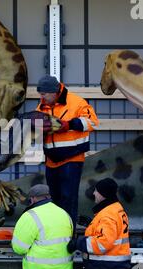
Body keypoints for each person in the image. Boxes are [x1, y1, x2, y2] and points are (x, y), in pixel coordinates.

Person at [36, 75, 99, 229]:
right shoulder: (42, 106)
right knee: (55, 199)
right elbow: (36, 126)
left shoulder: (77, 102)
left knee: (68, 198)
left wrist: (68, 124)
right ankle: (57, 230)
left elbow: (92, 122)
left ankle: (69, 232)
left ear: (54, 92)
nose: (41, 97)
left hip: (72, 159)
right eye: (41, 94)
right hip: (51, 161)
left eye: (43, 94)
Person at [67, 178, 131, 269]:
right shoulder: (115, 210)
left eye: (96, 190)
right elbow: (112, 233)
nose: (94, 193)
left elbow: (102, 244)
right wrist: (91, 224)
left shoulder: (107, 215)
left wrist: (78, 243)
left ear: (103, 194)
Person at [11, 184, 74, 269]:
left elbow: (19, 248)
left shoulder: (30, 216)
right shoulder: (64, 213)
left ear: (32, 199)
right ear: (49, 196)